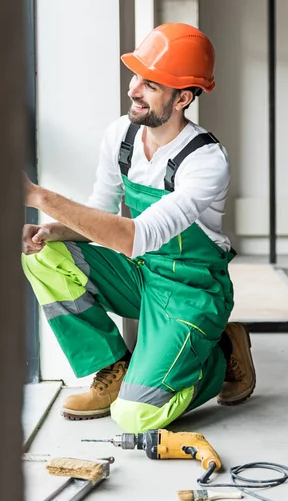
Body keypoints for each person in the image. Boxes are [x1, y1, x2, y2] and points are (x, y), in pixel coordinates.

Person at [22, 23, 256, 434]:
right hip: (141, 274)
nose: (133, 90)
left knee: (136, 417)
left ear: (182, 97)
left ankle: (220, 352)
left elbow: (135, 236)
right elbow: (100, 214)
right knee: (44, 256)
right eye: (136, 77)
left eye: (150, 84)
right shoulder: (121, 136)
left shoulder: (206, 161)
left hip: (191, 290)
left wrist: (40, 196)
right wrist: (51, 231)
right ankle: (112, 367)